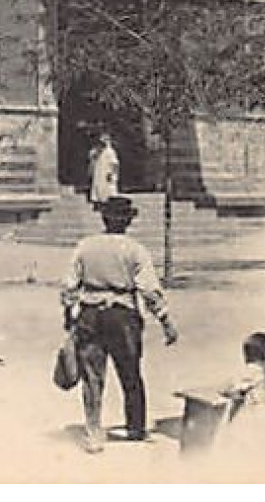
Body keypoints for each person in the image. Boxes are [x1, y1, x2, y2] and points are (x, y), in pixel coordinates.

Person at [60, 195, 179, 454]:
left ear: (104, 218)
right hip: (123, 316)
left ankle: (93, 433)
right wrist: (165, 320)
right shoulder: (135, 250)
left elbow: (70, 284)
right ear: (128, 221)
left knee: (92, 377)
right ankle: (135, 428)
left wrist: (69, 314)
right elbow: (149, 289)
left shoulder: (85, 246)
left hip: (90, 314)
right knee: (130, 373)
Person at [87, 129, 120, 206]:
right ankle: (99, 202)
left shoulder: (110, 151)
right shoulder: (97, 152)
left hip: (107, 173)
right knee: (99, 188)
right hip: (99, 174)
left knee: (108, 190)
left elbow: (115, 164)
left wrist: (112, 174)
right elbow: (92, 161)